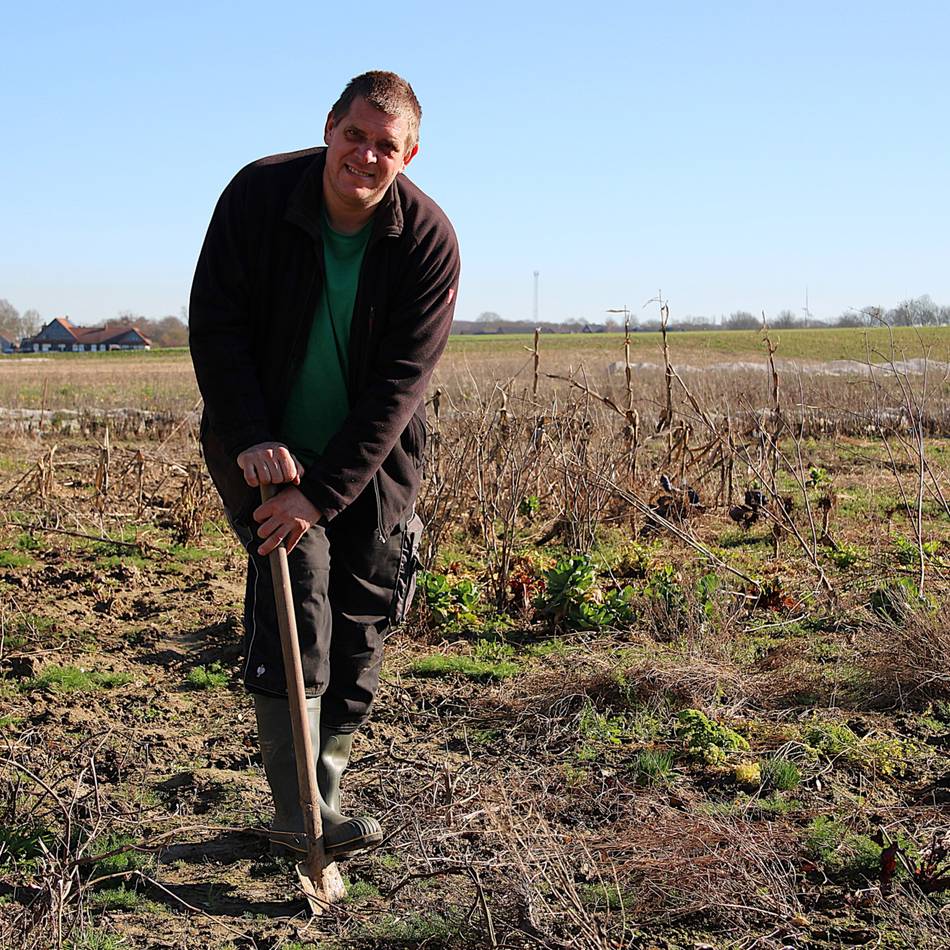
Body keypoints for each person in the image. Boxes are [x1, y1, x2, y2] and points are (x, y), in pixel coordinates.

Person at [189, 71, 460, 858]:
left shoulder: (428, 239)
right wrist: (248, 435)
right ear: (330, 127)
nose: (366, 156)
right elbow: (216, 324)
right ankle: (299, 812)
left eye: (386, 145)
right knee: (294, 599)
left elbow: (400, 385)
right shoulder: (258, 197)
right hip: (266, 447)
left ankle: (327, 784)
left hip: (371, 458)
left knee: (364, 609)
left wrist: (327, 492)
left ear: (410, 155)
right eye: (355, 135)